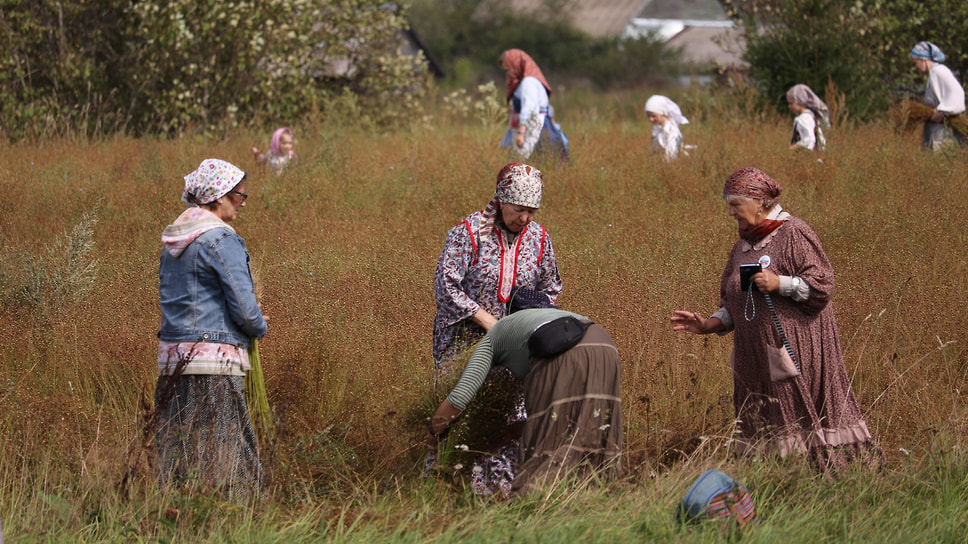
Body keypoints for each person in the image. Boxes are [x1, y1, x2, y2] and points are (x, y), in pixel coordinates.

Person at [670, 167, 879, 471]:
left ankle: (823, 478)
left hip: (794, 355)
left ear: (760, 202)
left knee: (798, 418)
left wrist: (779, 283)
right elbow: (733, 302)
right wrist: (706, 326)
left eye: (735, 205)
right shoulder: (742, 245)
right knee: (763, 424)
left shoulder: (793, 232)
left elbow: (822, 286)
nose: (730, 213)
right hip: (753, 360)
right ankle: (774, 482)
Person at [432, 162, 562, 496]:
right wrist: (485, 319)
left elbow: (550, 287)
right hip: (465, 341)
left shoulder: (539, 238)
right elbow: (446, 285)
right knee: (460, 409)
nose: (525, 218)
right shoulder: (468, 233)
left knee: (510, 417)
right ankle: (444, 483)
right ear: (501, 201)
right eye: (519, 209)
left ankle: (501, 489)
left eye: (532, 211)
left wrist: (529, 321)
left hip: (515, 345)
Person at [429, 288, 622, 497]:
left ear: (510, 313)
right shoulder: (561, 317)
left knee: (543, 449)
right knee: (598, 426)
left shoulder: (498, 332)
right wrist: (512, 432)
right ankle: (599, 500)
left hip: (557, 346)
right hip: (605, 345)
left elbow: (460, 397)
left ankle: (533, 508)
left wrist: (434, 432)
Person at [156, 158, 269, 497]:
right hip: (214, 359)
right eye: (240, 196)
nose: (243, 203)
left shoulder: (174, 242)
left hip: (172, 359)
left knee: (177, 449)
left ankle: (174, 514)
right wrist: (260, 325)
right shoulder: (221, 239)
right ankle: (235, 520)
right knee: (226, 446)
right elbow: (245, 308)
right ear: (218, 197)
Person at [499, 49, 568, 160]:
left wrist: (521, 133)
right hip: (531, 126)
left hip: (533, 128)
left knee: (520, 162)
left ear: (516, 64)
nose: (508, 73)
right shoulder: (523, 83)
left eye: (508, 69)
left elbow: (529, 108)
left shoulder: (528, 83)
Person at [910, 41, 966, 151]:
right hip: (937, 131)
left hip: (944, 132)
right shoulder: (934, 73)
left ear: (923, 59)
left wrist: (942, 111)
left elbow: (958, 93)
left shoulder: (939, 71)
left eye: (915, 63)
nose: (915, 67)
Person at [644, 95, 690, 160]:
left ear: (662, 113)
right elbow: (656, 151)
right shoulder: (658, 129)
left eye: (653, 116)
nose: (650, 119)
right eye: (648, 116)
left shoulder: (671, 131)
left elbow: (671, 156)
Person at [786, 84, 829, 152]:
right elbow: (822, 141)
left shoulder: (803, 119)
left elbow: (809, 140)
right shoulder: (812, 116)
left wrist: (791, 149)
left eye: (791, 103)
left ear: (800, 101)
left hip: (807, 158)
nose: (789, 106)